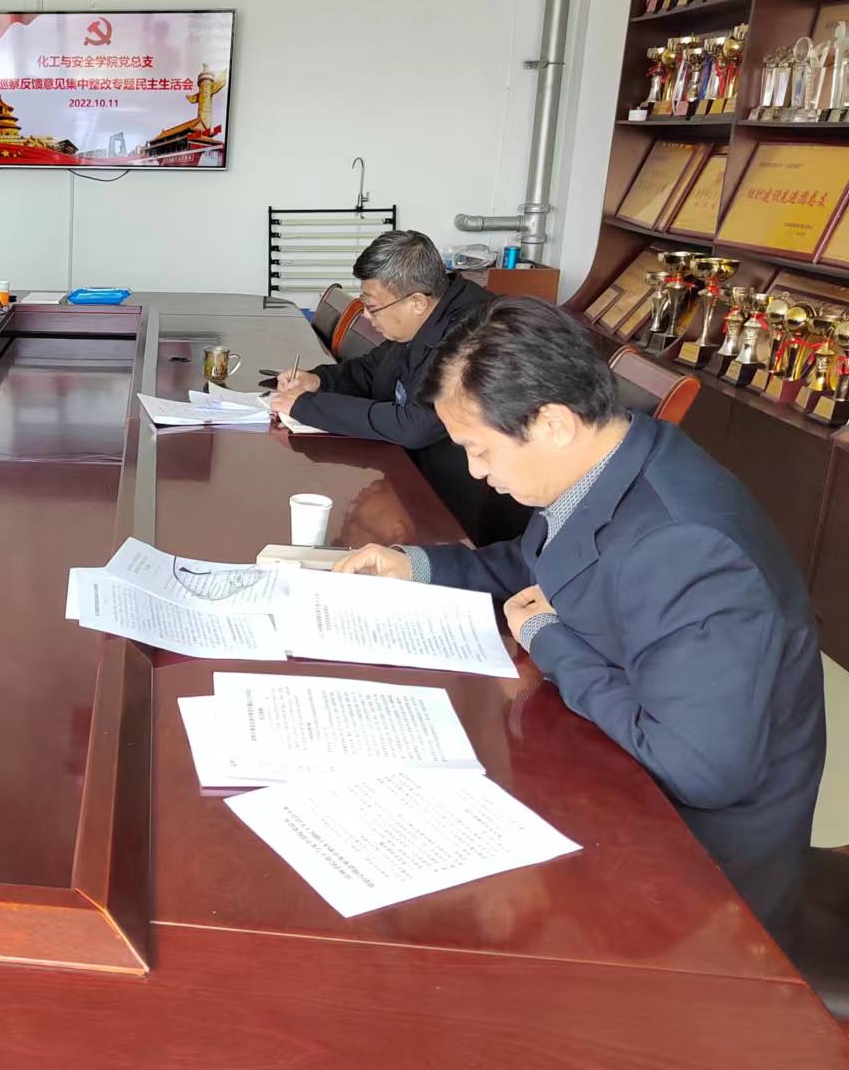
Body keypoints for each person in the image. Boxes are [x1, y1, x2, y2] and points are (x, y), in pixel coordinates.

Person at [334, 296, 826, 942]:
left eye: (480, 450)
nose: (476, 473)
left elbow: (700, 770)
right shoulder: (617, 458)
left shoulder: (685, 546)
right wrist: (416, 566)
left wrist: (551, 641)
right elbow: (539, 560)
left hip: (695, 880)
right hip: (613, 782)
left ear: (553, 423)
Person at [268, 230, 529, 542]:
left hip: (459, 516)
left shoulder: (476, 335)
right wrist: (319, 380)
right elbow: (373, 369)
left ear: (417, 302)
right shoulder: (426, 316)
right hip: (407, 480)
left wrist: (307, 407)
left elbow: (416, 424)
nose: (367, 317)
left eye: (373, 307)